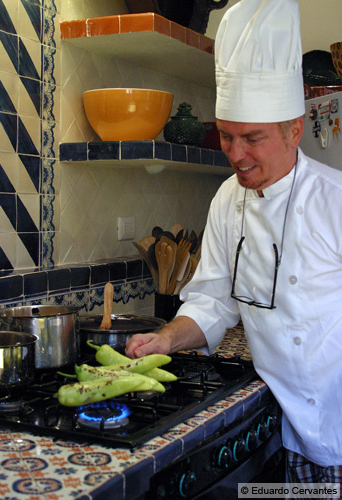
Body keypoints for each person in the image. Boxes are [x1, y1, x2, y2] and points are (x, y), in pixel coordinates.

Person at [126, 0, 342, 486]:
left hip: (336, 426)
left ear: (294, 129)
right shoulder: (228, 199)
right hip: (277, 426)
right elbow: (211, 301)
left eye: (252, 138)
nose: (236, 155)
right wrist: (165, 338)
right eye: (225, 136)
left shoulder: (335, 201)